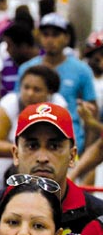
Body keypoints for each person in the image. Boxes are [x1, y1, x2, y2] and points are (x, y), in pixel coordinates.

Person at [0, 102, 103, 235]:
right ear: (16, 154)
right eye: (32, 146)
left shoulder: (98, 217)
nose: (42, 158)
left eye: (54, 146)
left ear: (72, 156)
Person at [15, 13, 97, 153]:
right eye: (45, 34)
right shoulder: (27, 69)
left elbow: (92, 113)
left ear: (66, 38)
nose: (50, 40)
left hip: (72, 146)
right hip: (33, 145)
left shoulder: (82, 70)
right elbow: (17, 106)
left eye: (55, 35)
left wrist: (87, 153)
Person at [0, 65, 66, 157]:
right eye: (26, 87)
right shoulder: (9, 103)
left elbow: (66, 143)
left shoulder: (58, 104)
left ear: (50, 92)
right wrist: (26, 149)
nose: (30, 94)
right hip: (11, 161)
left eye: (37, 90)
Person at [0, 22, 40, 97]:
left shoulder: (44, 62)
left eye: (9, 45)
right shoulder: (6, 65)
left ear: (23, 47)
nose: (6, 50)